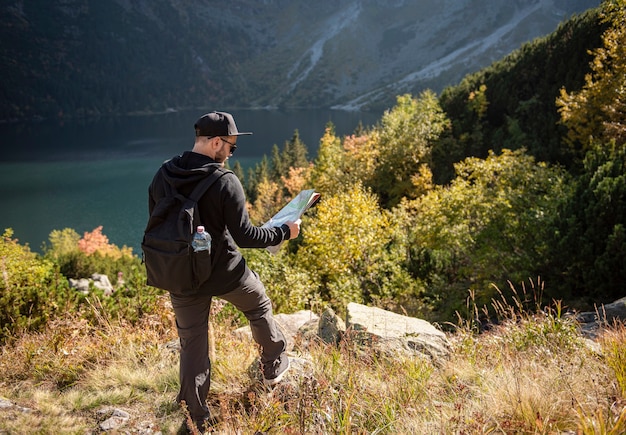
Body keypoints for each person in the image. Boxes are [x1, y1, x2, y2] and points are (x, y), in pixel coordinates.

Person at [146, 111, 300, 432]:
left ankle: (196, 419)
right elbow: (246, 237)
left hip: (181, 276)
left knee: (192, 345)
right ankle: (272, 362)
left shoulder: (164, 173)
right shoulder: (224, 181)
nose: (231, 153)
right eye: (230, 146)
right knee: (257, 305)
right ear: (216, 142)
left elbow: (158, 222)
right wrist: (284, 232)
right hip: (225, 273)